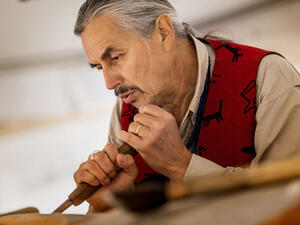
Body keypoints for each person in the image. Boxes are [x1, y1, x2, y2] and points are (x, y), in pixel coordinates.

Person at [73, 0, 300, 212]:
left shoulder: (268, 79)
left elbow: (289, 206)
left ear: (163, 32)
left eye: (115, 57)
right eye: (99, 67)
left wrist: (181, 166)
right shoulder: (124, 109)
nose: (109, 84)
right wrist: (109, 206)